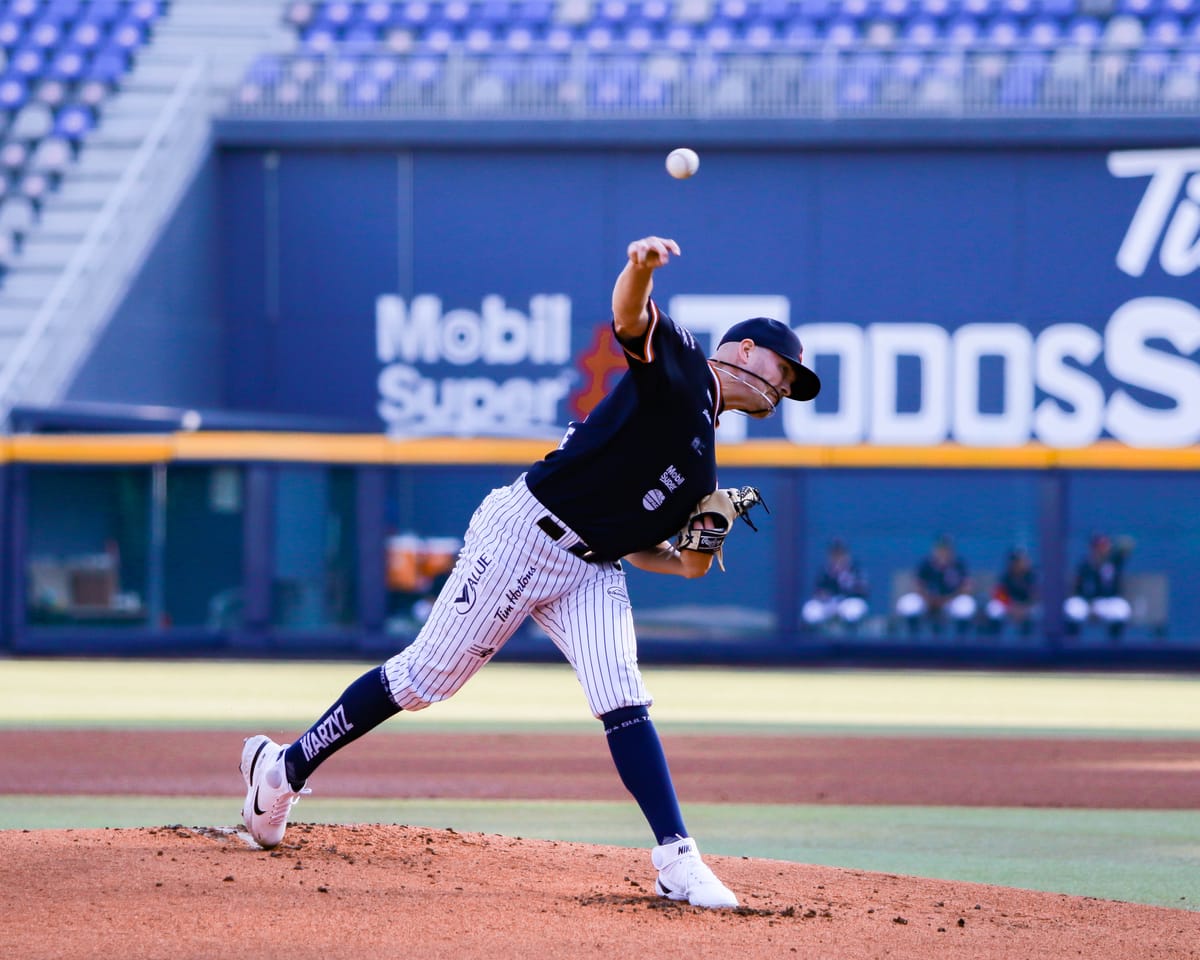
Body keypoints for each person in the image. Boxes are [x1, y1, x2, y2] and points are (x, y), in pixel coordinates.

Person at [238, 236, 821, 909]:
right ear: (745, 349)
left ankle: (676, 858)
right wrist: (638, 270)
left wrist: (703, 536)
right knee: (423, 681)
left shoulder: (702, 470)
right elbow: (631, 319)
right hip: (525, 533)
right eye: (784, 370)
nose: (785, 388)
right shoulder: (686, 364)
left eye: (794, 387)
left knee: (623, 694)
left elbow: (668, 562)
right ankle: (281, 770)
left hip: (591, 568)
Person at [895, 534, 976, 636]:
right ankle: (913, 639)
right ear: (935, 549)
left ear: (951, 550)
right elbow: (916, 585)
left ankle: (961, 642)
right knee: (909, 603)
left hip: (950, 601)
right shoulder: (926, 563)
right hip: (928, 601)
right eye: (940, 549)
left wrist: (946, 599)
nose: (943, 552)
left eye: (946, 549)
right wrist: (929, 599)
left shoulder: (958, 564)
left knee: (966, 604)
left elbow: (967, 587)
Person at [1064, 533, 1134, 641]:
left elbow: (1126, 548)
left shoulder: (1114, 562)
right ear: (1093, 549)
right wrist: (1090, 605)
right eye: (1100, 547)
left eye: (1105, 546)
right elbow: (1077, 587)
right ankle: (1072, 643)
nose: (1103, 550)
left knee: (1122, 608)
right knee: (1071, 607)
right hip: (1086, 604)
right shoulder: (1085, 565)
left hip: (1106, 603)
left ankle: (1115, 645)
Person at [801, 538, 869, 633]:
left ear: (846, 555)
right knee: (811, 609)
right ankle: (812, 639)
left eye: (840, 554)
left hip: (847, 603)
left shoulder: (855, 569)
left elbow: (864, 591)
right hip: (829, 604)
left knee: (854, 609)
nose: (837, 557)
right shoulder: (825, 571)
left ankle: (850, 639)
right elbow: (817, 593)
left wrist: (847, 580)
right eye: (834, 554)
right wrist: (823, 595)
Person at [984, 547, 1038, 635]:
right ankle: (995, 637)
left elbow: (1037, 598)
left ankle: (1031, 639)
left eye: (1023, 560)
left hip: (1027, 608)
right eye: (1018, 561)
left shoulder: (1033, 577)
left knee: (1038, 612)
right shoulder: (1006, 577)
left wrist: (1024, 609)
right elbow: (999, 595)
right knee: (994, 608)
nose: (1022, 563)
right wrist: (1011, 608)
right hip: (1011, 608)